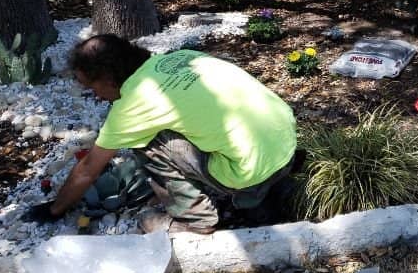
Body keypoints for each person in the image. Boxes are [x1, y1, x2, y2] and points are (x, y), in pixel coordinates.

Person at [26, 34, 298, 234]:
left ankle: (194, 218)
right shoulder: (180, 58)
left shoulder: (132, 105)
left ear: (109, 80)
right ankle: (268, 185)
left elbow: (88, 169)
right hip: (285, 142)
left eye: (91, 87)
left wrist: (54, 210)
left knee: (146, 143)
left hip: (250, 171)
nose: (95, 96)